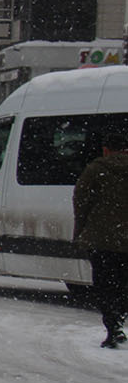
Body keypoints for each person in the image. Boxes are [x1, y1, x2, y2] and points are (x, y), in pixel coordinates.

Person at [73, 129, 128, 348]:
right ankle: (120, 319)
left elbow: (81, 202)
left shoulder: (96, 170)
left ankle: (113, 326)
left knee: (105, 285)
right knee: (124, 284)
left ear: (106, 149)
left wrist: (80, 231)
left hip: (102, 241)